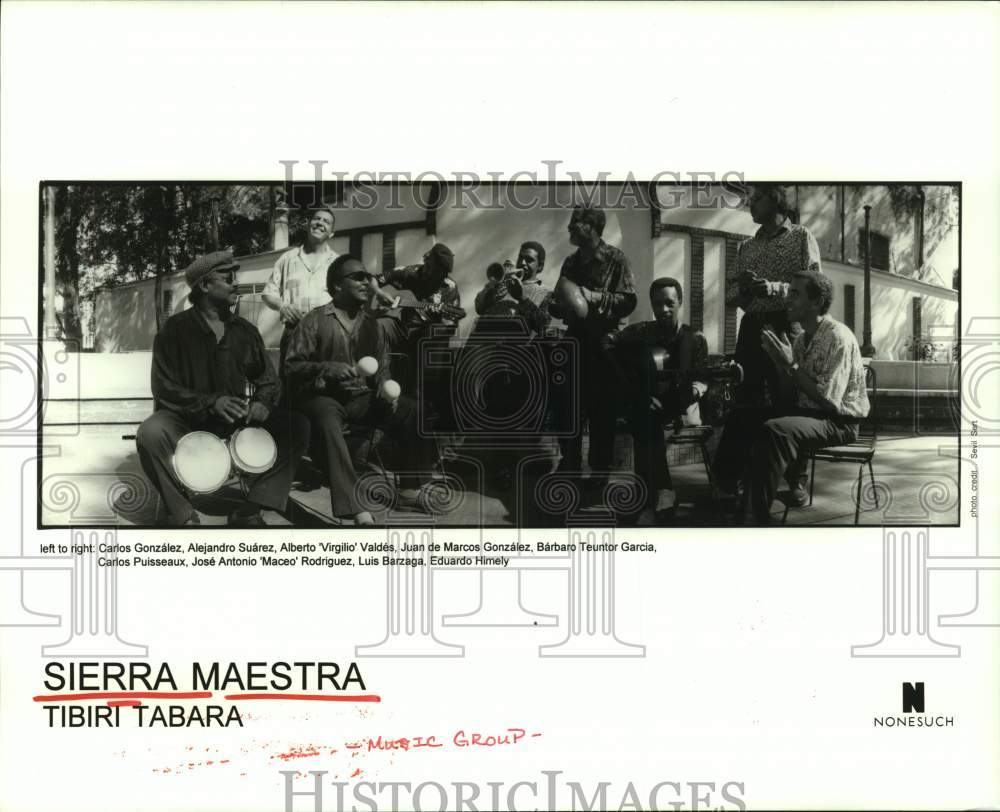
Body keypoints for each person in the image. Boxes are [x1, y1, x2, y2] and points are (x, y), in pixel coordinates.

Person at [136, 250, 310, 526]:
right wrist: (210, 402)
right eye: (227, 277)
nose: (235, 283)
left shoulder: (245, 331)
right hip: (185, 421)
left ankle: (253, 507)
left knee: (297, 425)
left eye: (235, 276)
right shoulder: (174, 330)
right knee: (150, 432)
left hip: (236, 422)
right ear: (205, 286)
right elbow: (163, 387)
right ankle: (181, 513)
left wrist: (263, 401)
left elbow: (268, 380)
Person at [285, 254, 441, 526]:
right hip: (322, 398)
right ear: (336, 286)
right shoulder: (314, 320)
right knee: (326, 417)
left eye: (368, 277)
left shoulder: (372, 324)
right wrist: (325, 368)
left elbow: (382, 367)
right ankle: (354, 508)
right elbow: (291, 367)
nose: (367, 282)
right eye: (357, 277)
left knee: (412, 410)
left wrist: (383, 386)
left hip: (360, 399)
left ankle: (408, 491)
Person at [739, 271, 870, 524]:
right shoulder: (800, 341)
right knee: (747, 416)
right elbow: (793, 394)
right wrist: (781, 365)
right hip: (810, 415)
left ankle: (757, 519)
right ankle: (742, 499)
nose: (787, 300)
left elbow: (828, 401)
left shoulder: (837, 336)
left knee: (776, 430)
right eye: (789, 293)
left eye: (795, 294)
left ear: (817, 301)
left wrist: (792, 366)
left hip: (838, 421)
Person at [551, 205, 637, 495]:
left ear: (592, 226)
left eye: (575, 223)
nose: (569, 228)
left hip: (604, 344)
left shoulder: (615, 258)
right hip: (576, 341)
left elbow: (628, 301)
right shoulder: (570, 262)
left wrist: (591, 297)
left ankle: (600, 472)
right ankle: (570, 465)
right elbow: (560, 298)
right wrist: (556, 304)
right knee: (569, 410)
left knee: (602, 414)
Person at [608, 277, 709, 524]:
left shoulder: (694, 338)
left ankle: (648, 495)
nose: (663, 309)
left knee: (645, 417)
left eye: (669, 303)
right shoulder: (641, 333)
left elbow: (702, 381)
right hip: (649, 402)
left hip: (683, 403)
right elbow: (609, 345)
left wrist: (682, 397)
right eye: (657, 304)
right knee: (645, 415)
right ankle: (662, 491)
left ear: (680, 302)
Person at [729, 184, 822, 408]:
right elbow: (731, 297)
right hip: (751, 328)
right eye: (750, 199)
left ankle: (785, 439)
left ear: (775, 200)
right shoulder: (746, 246)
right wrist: (744, 289)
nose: (751, 204)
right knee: (746, 399)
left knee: (786, 396)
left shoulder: (800, 236)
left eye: (757, 198)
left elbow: (815, 286)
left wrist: (774, 288)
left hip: (786, 325)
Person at [261, 206, 338, 378]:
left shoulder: (338, 263)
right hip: (293, 332)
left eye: (326, 221)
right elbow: (268, 293)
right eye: (316, 219)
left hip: (327, 335)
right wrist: (282, 306)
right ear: (308, 224)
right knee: (290, 388)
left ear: (331, 233)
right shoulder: (287, 259)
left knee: (326, 384)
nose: (320, 223)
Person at [473, 240, 553, 335]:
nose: (523, 263)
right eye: (520, 257)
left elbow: (543, 326)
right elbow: (479, 308)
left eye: (529, 260)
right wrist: (494, 289)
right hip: (478, 343)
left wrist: (522, 298)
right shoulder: (502, 281)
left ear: (540, 266)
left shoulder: (545, 292)